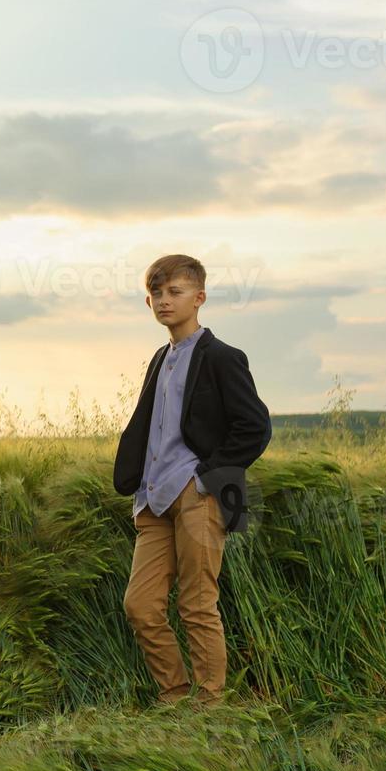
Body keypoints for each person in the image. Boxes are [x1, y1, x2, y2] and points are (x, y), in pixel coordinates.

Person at [113, 254, 272, 706]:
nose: (164, 301)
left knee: (197, 605)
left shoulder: (222, 357)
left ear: (199, 298)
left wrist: (205, 477)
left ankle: (209, 706)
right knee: (140, 606)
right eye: (156, 294)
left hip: (197, 494)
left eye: (175, 292)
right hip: (153, 497)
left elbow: (255, 426)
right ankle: (175, 693)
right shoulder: (160, 359)